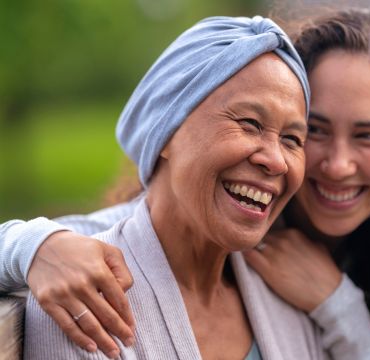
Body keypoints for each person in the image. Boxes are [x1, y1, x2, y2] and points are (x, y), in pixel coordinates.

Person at [1, 6, 370, 360]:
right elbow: (111, 229)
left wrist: (337, 305)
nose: (336, 164)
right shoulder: (224, 228)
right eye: (317, 132)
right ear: (168, 132)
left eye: (291, 136)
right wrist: (33, 244)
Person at [21, 14, 351, 360]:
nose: (277, 161)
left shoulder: (286, 295)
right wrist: (26, 246)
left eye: (292, 139)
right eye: (250, 123)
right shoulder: (84, 299)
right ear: (167, 131)